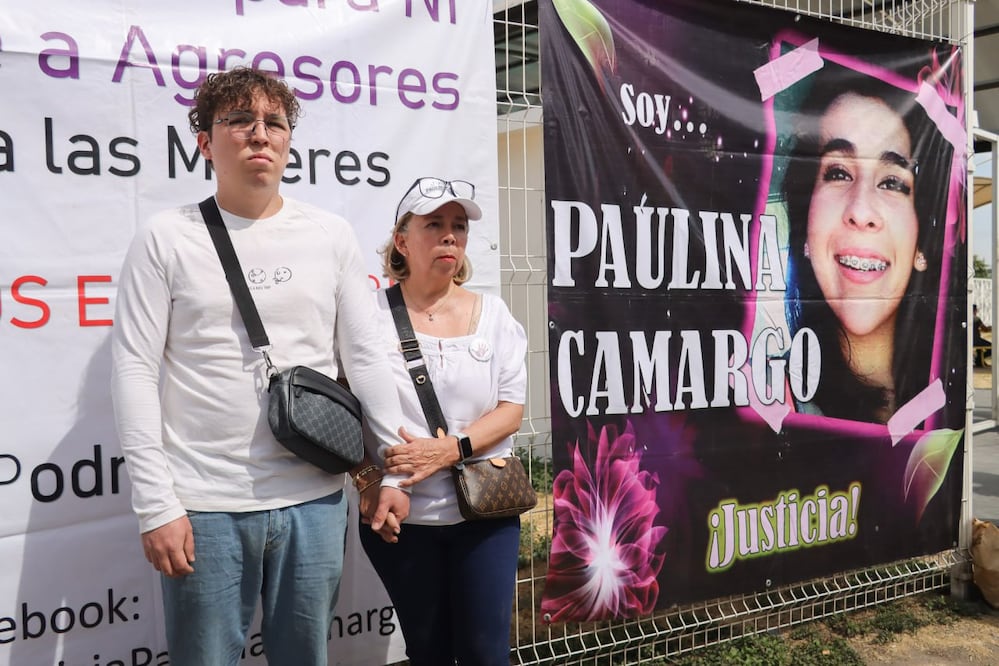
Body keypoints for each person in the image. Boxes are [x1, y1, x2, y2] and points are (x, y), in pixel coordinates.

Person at [110, 66, 409, 665]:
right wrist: (157, 505)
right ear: (205, 142)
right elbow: (134, 370)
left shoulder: (329, 234)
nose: (259, 133)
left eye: (274, 122)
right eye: (240, 120)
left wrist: (394, 473)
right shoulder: (166, 237)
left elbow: (366, 357)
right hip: (206, 504)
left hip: (315, 499)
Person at [353, 176, 528, 665]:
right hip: (402, 520)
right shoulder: (366, 317)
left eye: (459, 226)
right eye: (434, 224)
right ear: (401, 240)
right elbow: (343, 410)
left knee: (485, 654)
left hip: (485, 516)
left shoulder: (494, 314)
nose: (450, 235)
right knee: (428, 651)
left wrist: (450, 450)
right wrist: (367, 480)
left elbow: (511, 411)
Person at [781, 70, 953, 423]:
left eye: (892, 182)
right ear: (805, 230)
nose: (860, 212)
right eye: (838, 173)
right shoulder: (773, 400)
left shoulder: (948, 399)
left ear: (922, 245)